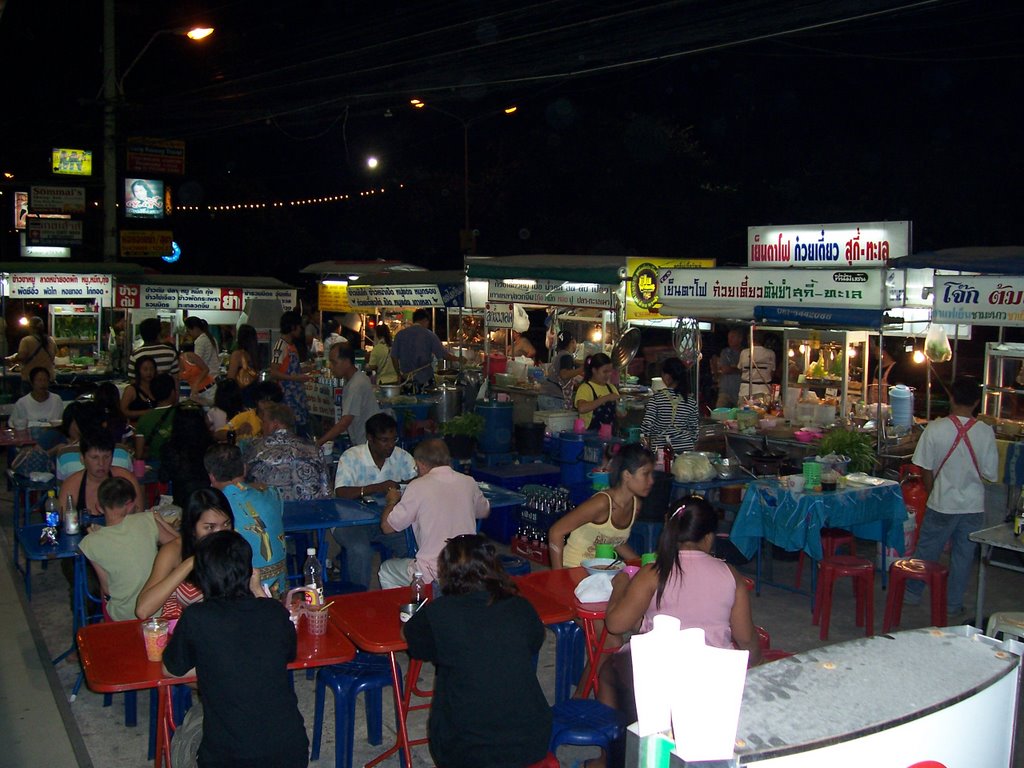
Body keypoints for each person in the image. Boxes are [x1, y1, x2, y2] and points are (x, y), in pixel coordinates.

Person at [590, 496, 761, 768]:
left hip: (659, 681)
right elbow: (746, 638)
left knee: (609, 672)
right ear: (708, 538)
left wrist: (620, 585)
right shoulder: (730, 574)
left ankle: (609, 758)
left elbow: (615, 625)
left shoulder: (654, 572)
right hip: (713, 681)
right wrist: (750, 667)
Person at [162, 530, 308, 768]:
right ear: (250, 571)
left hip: (228, 759)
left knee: (185, 732)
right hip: (290, 754)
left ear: (203, 577)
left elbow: (171, 670)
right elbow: (287, 655)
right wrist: (259, 589)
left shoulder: (197, 617)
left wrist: (219, 674)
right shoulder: (273, 612)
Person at [403, 534, 551, 768]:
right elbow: (534, 643)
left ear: (446, 573)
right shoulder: (521, 606)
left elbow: (417, 646)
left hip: (465, 751)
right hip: (531, 740)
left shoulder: (439, 613)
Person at [907, 377, 998, 619]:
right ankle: (953, 604)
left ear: (951, 398)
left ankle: (912, 593)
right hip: (972, 506)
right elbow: (990, 474)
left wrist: (932, 490)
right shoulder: (986, 432)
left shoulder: (935, 429)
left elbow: (924, 467)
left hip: (940, 503)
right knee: (963, 557)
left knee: (927, 550)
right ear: (977, 401)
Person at [378, 438, 489, 589]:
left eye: (417, 467)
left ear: (422, 464)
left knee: (386, 570)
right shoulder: (469, 482)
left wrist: (391, 501)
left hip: (433, 571)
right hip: (468, 565)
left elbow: (387, 527)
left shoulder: (417, 486)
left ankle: (413, 609)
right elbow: (484, 511)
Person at [331, 413, 417, 588]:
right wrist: (377, 487)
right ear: (370, 438)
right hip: (350, 522)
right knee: (361, 551)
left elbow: (416, 483)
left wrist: (403, 486)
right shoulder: (351, 457)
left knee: (412, 544)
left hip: (387, 520)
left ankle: (412, 592)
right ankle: (359, 597)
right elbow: (341, 492)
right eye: (384, 440)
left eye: (393, 439)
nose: (390, 445)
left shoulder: (402, 457)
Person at [78, 477, 178, 621]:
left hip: (123, 616)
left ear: (99, 507)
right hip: (160, 607)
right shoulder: (146, 519)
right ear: (130, 505)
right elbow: (177, 543)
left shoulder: (90, 542)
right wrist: (160, 521)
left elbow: (107, 588)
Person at [548, 443, 654, 568]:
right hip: (573, 567)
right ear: (626, 475)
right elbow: (556, 532)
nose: (651, 481)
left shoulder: (635, 505)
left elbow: (615, 540)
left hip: (600, 570)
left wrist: (641, 564)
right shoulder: (602, 503)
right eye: (645, 474)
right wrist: (559, 577)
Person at [135, 487, 235, 620]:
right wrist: (192, 562)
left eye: (226, 524)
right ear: (192, 528)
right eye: (210, 527)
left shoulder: (235, 547)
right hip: (183, 628)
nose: (220, 534)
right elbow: (143, 610)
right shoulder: (175, 551)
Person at [205, 443, 288, 598]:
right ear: (244, 468)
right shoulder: (272, 493)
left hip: (245, 590)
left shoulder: (216, 507)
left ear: (212, 477)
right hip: (280, 587)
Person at [244, 402, 330, 501]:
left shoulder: (258, 448)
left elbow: (244, 479)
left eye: (264, 422)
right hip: (311, 509)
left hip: (273, 509)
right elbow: (326, 487)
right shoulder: (313, 448)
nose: (262, 427)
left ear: (275, 424)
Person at [58, 430, 144, 516]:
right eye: (94, 457)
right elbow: (63, 523)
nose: (101, 463)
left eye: (106, 457)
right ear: (82, 458)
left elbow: (139, 517)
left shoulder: (127, 479)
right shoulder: (71, 485)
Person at [318, 345, 380, 448]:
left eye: (334, 363)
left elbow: (344, 423)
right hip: (367, 440)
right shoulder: (359, 377)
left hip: (366, 444)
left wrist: (320, 442)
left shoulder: (355, 385)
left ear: (346, 362)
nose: (331, 367)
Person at [54, 402, 134, 481]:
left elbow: (60, 490)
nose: (101, 463)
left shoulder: (64, 454)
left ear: (78, 426)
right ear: (105, 424)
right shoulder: (122, 452)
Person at [159, 404, 214, 509]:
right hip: (209, 499)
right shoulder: (211, 446)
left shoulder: (171, 448)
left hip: (183, 502)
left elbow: (163, 477)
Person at [641, 357, 698, 453]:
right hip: (685, 448)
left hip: (662, 449)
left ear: (667, 377)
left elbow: (647, 424)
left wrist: (644, 439)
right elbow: (694, 431)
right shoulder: (691, 402)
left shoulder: (656, 399)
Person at [390, 308, 459, 387]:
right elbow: (443, 355)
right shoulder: (430, 335)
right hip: (424, 380)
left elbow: (393, 356)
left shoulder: (400, 334)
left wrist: (398, 373)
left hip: (405, 380)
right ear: (425, 320)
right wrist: (458, 359)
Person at [270, 311, 312, 434]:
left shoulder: (291, 346)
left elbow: (293, 368)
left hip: (297, 394)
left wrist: (308, 368)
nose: (300, 329)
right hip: (287, 395)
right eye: (299, 326)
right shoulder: (280, 346)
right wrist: (295, 378)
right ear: (292, 327)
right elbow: (274, 372)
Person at [216, 380, 283, 446]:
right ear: (257, 401)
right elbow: (218, 435)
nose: (268, 405)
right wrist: (238, 431)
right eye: (264, 402)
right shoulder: (245, 416)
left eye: (272, 403)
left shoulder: (282, 418)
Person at [6, 316, 56, 394]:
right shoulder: (51, 340)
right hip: (48, 379)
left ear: (30, 328)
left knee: (29, 404)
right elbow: (53, 356)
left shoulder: (26, 340)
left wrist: (12, 358)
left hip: (31, 380)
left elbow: (21, 356)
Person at [134, 373, 178, 461]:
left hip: (154, 466)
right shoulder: (182, 414)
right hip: (177, 465)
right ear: (173, 392)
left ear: (152, 394)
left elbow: (139, 455)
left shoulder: (144, 419)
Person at [574, 352, 620, 432]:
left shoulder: (611, 388)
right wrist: (606, 398)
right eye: (605, 371)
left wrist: (622, 408)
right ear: (594, 370)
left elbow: (619, 413)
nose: (608, 375)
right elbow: (581, 408)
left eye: (610, 371)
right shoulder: (586, 388)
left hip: (609, 436)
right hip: (591, 437)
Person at [538, 330, 583, 411]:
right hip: (554, 399)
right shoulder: (566, 356)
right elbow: (564, 374)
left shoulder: (559, 355)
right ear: (572, 342)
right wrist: (582, 369)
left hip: (546, 396)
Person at [738, 330, 775, 400]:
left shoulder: (744, 353)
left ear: (750, 339)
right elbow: (772, 372)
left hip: (746, 390)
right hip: (764, 389)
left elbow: (740, 369)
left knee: (744, 411)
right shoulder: (770, 353)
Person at [120, 354, 158, 423]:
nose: (149, 372)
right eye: (145, 369)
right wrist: (145, 412)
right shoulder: (131, 390)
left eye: (152, 369)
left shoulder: (157, 388)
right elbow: (123, 411)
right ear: (138, 371)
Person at [867, 340, 906, 405]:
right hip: (872, 407)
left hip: (888, 408)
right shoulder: (876, 367)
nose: (874, 352)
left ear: (883, 352)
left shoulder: (896, 369)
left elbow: (900, 391)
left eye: (876, 349)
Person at [715, 328, 744, 408]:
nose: (730, 340)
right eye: (729, 338)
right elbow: (725, 369)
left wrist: (733, 368)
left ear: (740, 339)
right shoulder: (725, 352)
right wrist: (739, 370)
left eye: (732, 337)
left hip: (740, 391)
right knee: (719, 414)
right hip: (725, 391)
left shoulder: (745, 353)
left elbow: (746, 370)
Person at [226, 323, 259, 388]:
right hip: (253, 388)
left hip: (240, 389)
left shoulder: (237, 354)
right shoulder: (255, 354)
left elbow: (231, 377)